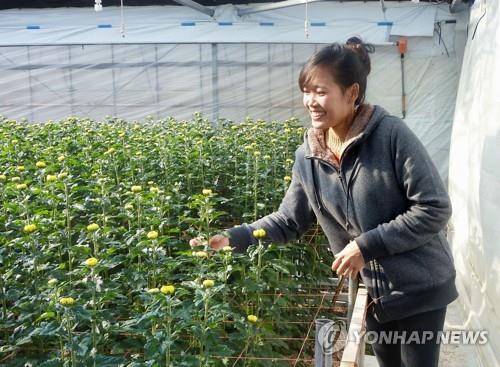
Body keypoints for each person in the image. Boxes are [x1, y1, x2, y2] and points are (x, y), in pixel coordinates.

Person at [205, 37, 458, 367]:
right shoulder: (308, 156)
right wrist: (235, 236)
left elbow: (434, 207)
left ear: (351, 93)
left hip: (419, 286)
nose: (311, 101)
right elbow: (289, 220)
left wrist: (365, 246)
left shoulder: (391, 136)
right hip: (374, 291)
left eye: (321, 91)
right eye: (307, 91)